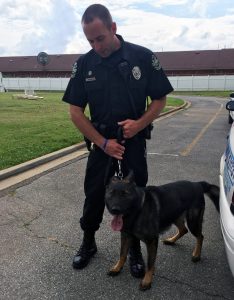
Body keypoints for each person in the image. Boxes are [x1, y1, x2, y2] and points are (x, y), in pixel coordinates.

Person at [62, 4, 173, 278]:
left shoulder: (142, 58)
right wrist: (102, 142)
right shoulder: (84, 64)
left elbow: (160, 99)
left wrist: (139, 125)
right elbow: (75, 112)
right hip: (102, 145)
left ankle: (134, 249)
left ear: (113, 28)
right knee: (94, 195)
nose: (96, 45)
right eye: (90, 40)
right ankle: (89, 243)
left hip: (132, 143)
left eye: (100, 38)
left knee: (136, 197)